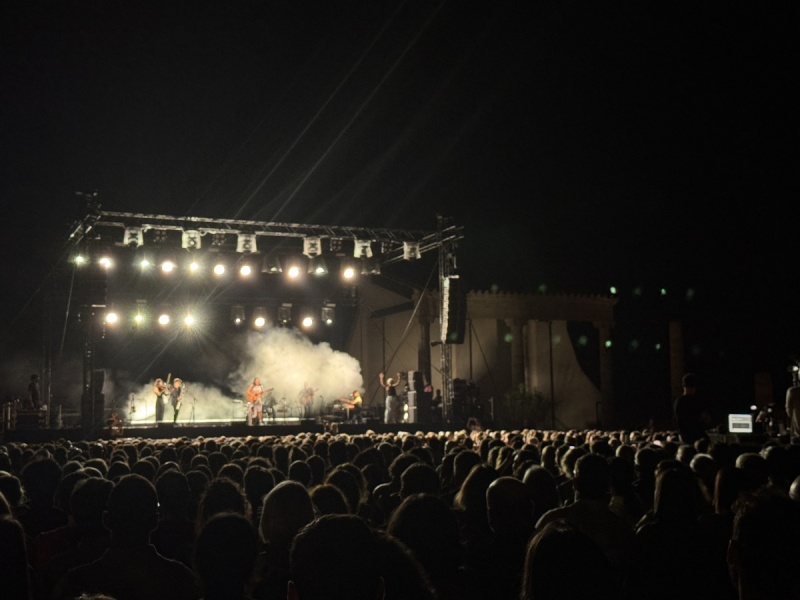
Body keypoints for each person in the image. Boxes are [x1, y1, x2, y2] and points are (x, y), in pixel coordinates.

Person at [673, 373, 712, 445]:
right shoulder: (697, 401)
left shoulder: (678, 402)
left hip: (685, 437)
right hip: (698, 436)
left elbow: (679, 422)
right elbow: (707, 419)